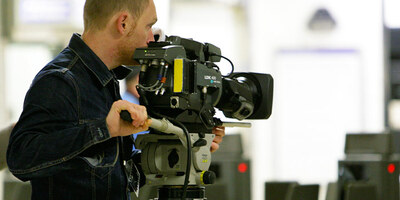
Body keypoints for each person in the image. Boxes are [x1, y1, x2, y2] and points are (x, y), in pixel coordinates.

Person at [6, 0, 224, 199]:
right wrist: (104, 129)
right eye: (148, 26)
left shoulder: (106, 80)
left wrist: (187, 147)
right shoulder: (61, 80)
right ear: (123, 23)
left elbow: (111, 171)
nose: (151, 39)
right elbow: (21, 159)